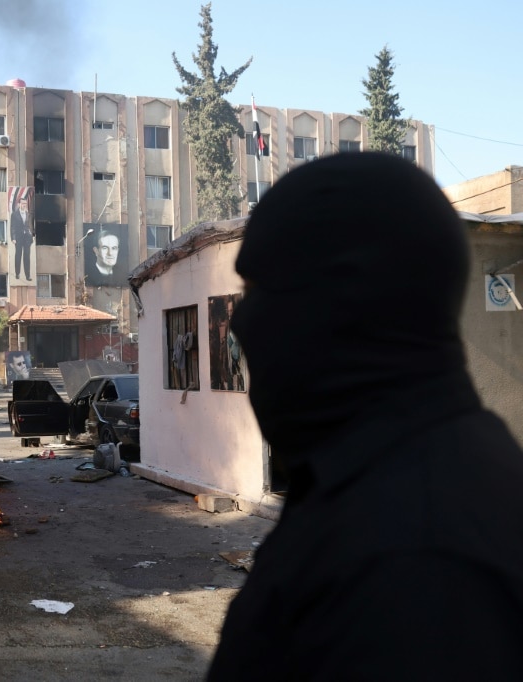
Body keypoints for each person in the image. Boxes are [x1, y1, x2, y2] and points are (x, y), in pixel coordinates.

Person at [208, 152, 523, 679]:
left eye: (257, 292)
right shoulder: (382, 480)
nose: (241, 326)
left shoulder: (416, 561)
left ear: (337, 301)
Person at [9, 195, 34, 281]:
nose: (24, 205)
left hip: (27, 238)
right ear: (19, 204)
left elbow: (30, 226)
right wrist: (13, 238)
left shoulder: (28, 214)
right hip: (18, 238)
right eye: (23, 203)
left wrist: (32, 235)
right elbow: (12, 227)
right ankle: (17, 273)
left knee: (27, 256)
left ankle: (28, 275)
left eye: (25, 204)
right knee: (18, 255)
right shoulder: (14, 215)